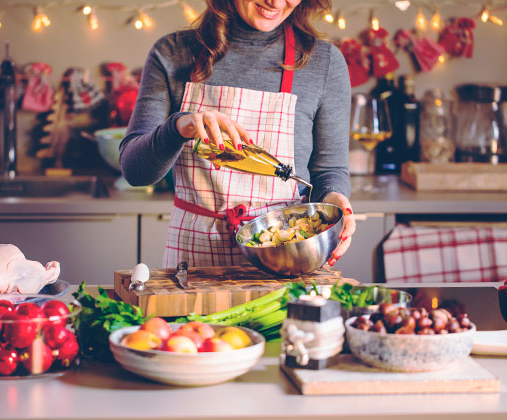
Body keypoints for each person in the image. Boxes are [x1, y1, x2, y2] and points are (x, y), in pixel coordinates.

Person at [120, 0, 356, 269]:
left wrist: (335, 200)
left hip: (288, 257)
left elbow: (329, 170)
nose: (277, 3)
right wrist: (179, 127)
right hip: (195, 263)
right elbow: (135, 172)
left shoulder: (323, 62)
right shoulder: (173, 53)